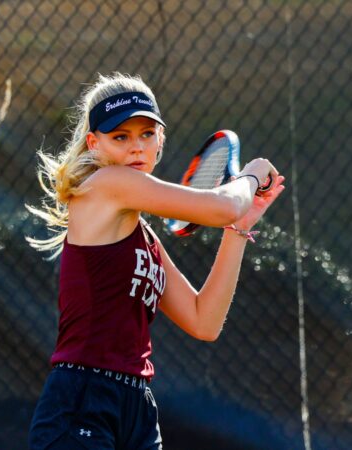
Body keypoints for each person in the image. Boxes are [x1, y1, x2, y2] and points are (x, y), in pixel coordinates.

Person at [26, 72, 285, 449]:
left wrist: (237, 229)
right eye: (120, 137)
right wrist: (251, 176)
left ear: (160, 139)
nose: (136, 147)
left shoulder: (144, 237)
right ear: (93, 144)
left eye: (146, 134)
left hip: (138, 409)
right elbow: (223, 205)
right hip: (82, 402)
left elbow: (204, 320)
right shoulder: (106, 183)